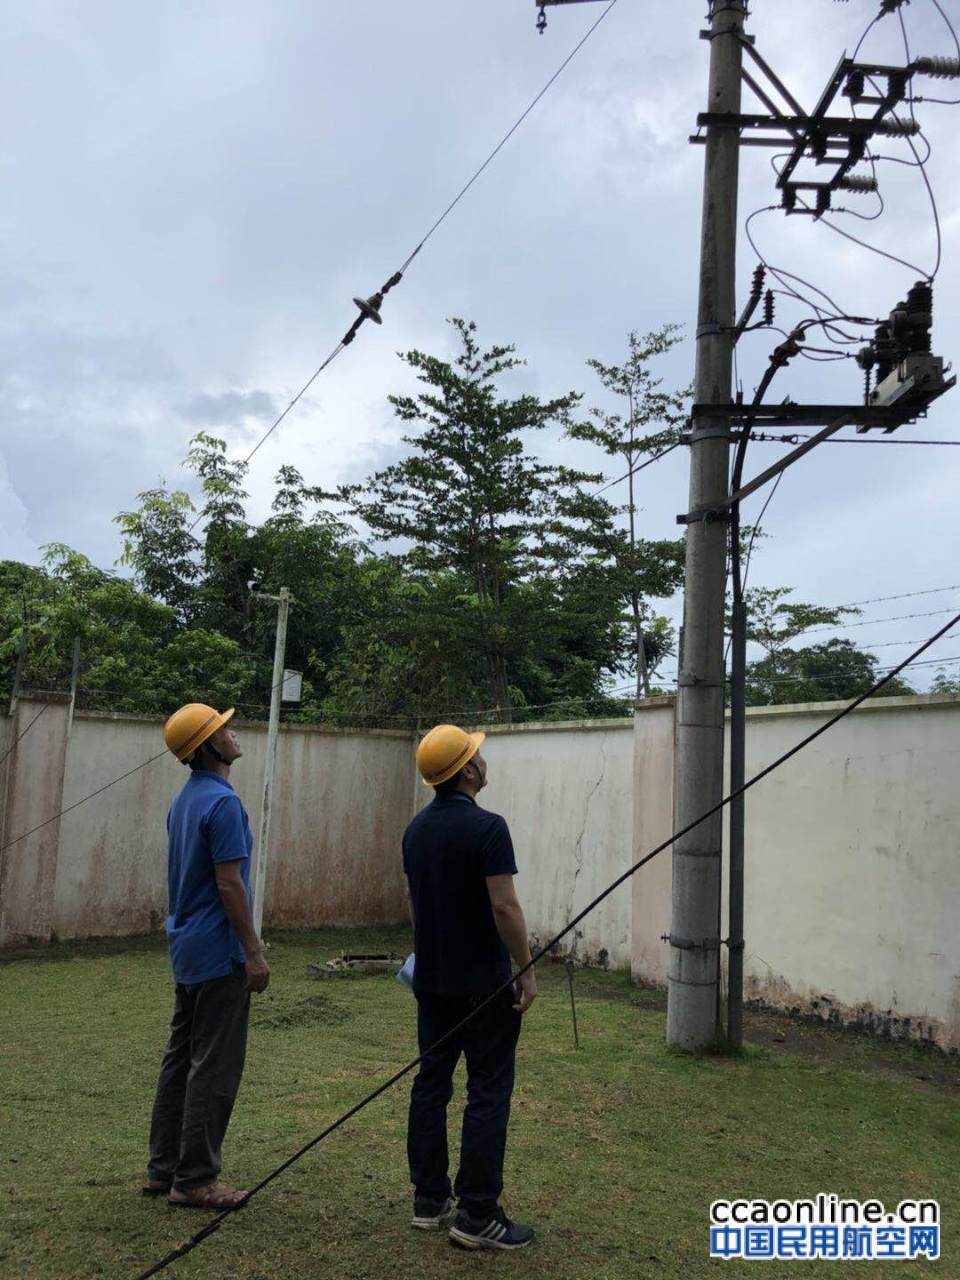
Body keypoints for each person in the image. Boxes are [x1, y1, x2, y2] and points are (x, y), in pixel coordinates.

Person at [403, 724, 537, 1251]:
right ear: (466, 771)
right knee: (487, 1091)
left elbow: (417, 905)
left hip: (431, 982)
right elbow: (504, 905)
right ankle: (478, 1213)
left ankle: (429, 1198)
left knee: (431, 1084)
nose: (483, 761)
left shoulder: (415, 830)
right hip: (483, 986)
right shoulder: (489, 828)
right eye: (476, 756)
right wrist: (525, 967)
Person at [143, 703, 270, 1210]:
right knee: (213, 1066)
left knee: (180, 1062)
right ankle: (194, 1178)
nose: (233, 733)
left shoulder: (184, 801)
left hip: (186, 949)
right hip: (220, 955)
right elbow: (228, 882)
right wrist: (253, 951)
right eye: (222, 730)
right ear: (206, 747)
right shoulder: (223, 804)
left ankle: (162, 1168)